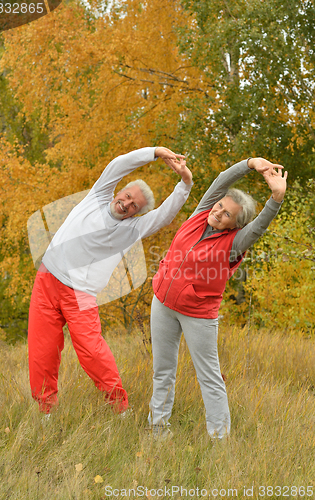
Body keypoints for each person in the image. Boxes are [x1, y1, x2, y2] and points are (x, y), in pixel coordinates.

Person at [28, 147, 193, 414]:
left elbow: (164, 216)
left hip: (80, 294)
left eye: (134, 206)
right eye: (127, 196)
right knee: (41, 350)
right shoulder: (97, 196)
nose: (127, 204)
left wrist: (185, 183)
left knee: (92, 352)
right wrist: (155, 152)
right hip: (46, 279)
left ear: (135, 213)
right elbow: (119, 164)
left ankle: (119, 407)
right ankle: (45, 410)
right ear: (120, 191)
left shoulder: (130, 229)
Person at [148, 157, 288, 438]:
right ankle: (158, 432)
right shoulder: (201, 212)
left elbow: (259, 226)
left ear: (236, 225)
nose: (218, 212)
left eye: (227, 214)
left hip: (197, 315)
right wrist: (250, 164)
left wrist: (276, 197)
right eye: (220, 206)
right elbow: (221, 180)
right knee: (162, 371)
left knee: (209, 378)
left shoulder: (235, 243)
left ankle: (219, 441)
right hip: (162, 303)